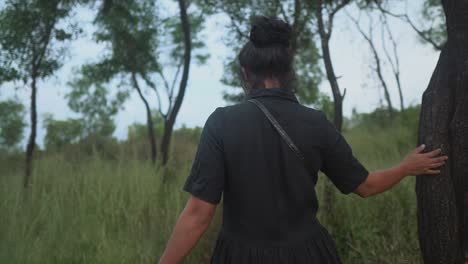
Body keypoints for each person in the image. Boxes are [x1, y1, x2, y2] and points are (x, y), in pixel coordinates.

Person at [158, 16, 448, 264]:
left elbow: (198, 214)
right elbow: (366, 186)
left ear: (245, 73)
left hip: (240, 255)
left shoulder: (221, 122)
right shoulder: (315, 123)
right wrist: (405, 167)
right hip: (310, 253)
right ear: (289, 73)